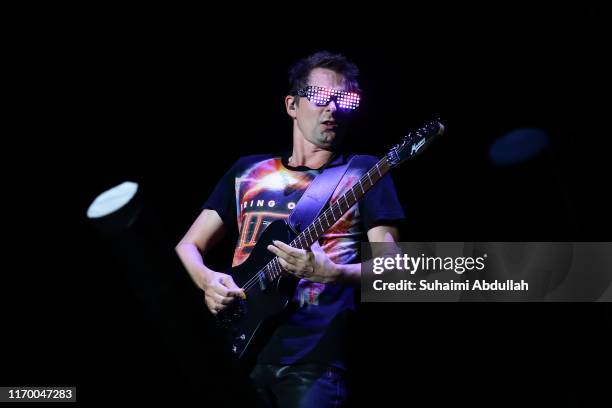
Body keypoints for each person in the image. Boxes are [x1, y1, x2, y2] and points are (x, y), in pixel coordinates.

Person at [175, 51, 405, 407]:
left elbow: (394, 269)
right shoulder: (248, 171)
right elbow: (187, 245)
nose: (333, 108)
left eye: (344, 100)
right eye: (320, 97)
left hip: (313, 358)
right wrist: (208, 281)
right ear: (292, 105)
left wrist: (333, 272)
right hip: (236, 348)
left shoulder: (364, 173)